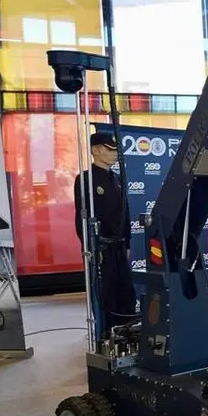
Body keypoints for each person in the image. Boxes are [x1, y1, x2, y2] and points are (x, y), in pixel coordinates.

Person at [74, 131, 136, 335]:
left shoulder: (117, 179)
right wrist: (90, 246)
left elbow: (124, 214)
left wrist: (127, 243)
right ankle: (107, 335)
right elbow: (81, 218)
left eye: (116, 150)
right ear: (95, 150)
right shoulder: (85, 179)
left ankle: (127, 332)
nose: (115, 154)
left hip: (118, 246)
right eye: (110, 150)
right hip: (101, 248)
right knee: (105, 295)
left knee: (126, 291)